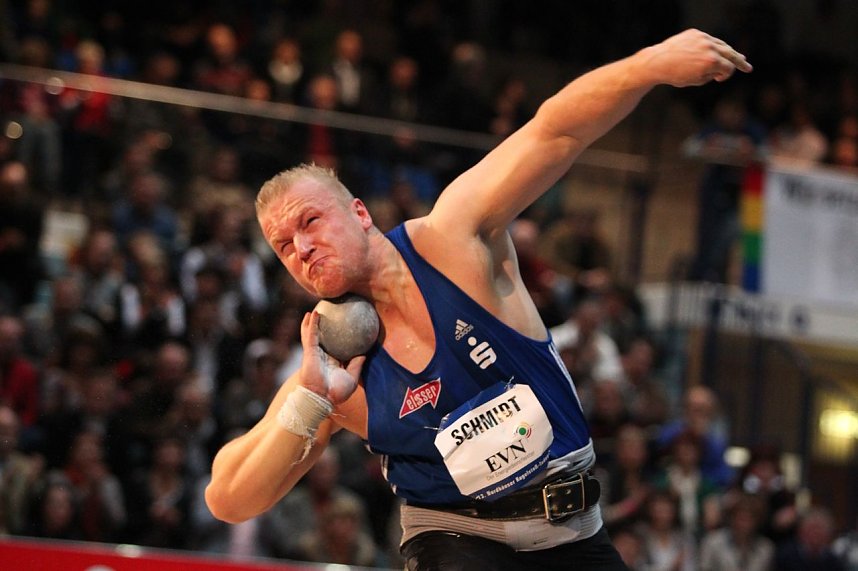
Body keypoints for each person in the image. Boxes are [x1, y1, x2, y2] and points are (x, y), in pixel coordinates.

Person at [206, 29, 752, 570]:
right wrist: (312, 404)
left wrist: (651, 63)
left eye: (310, 222)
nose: (301, 247)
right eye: (283, 245)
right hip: (452, 539)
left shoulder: (451, 239)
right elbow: (227, 497)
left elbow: (554, 132)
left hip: (573, 533)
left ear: (360, 213)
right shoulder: (327, 364)